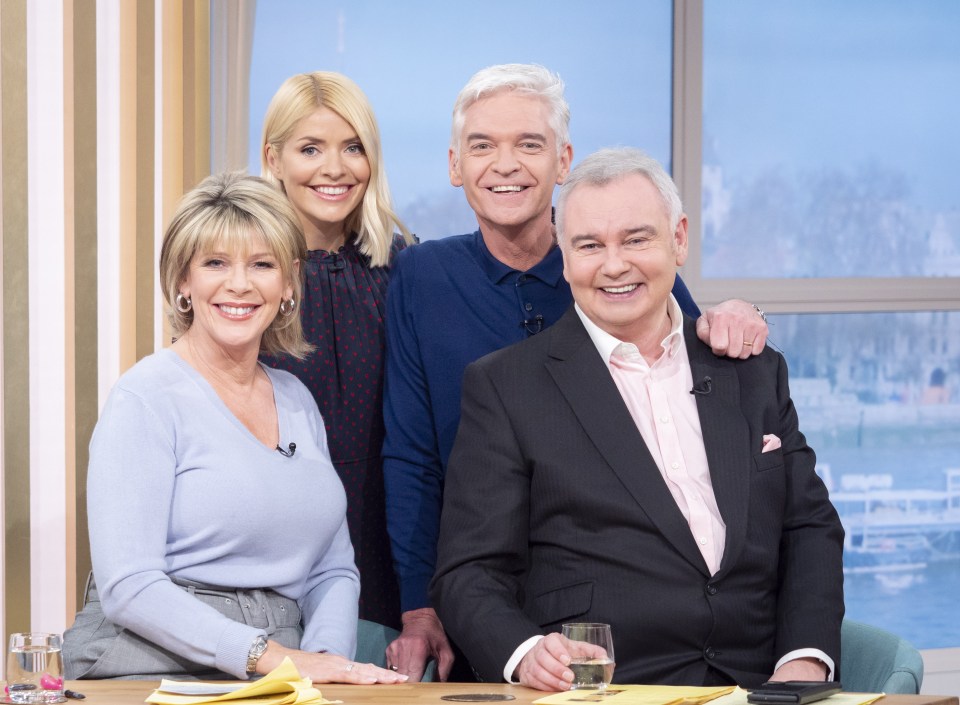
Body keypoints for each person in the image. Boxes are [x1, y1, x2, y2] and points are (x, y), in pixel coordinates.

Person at [382, 63, 771, 681]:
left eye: (528, 145)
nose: (505, 164)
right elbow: (410, 455)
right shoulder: (421, 277)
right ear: (455, 166)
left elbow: (691, 359)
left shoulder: (613, 273)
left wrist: (742, 313)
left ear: (563, 161)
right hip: (480, 581)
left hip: (612, 592)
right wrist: (419, 604)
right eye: (482, 146)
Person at [431, 148, 844, 690]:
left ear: (679, 238)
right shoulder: (506, 387)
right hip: (605, 688)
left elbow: (809, 526)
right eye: (589, 245)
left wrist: (804, 660)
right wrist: (527, 653)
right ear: (565, 256)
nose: (614, 265)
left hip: (764, 686)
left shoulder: (752, 371)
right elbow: (468, 573)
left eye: (635, 239)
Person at [62, 172, 406, 685]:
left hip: (283, 667)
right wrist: (270, 658)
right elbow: (129, 585)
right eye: (215, 263)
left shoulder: (296, 399)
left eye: (262, 265)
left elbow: (332, 570)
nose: (239, 285)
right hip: (156, 661)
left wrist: (328, 665)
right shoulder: (145, 397)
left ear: (289, 282)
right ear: (184, 281)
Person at [261, 71, 413, 630]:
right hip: (275, 540)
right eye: (310, 149)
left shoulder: (403, 267)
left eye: (353, 148)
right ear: (273, 159)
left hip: (387, 527)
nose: (334, 168)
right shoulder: (243, 278)